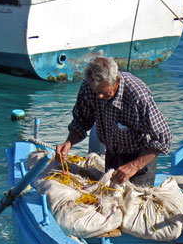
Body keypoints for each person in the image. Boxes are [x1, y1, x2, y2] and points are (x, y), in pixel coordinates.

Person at [56, 57, 172, 186]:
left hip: (140, 159)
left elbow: (163, 138)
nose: (99, 96)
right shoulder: (89, 87)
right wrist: (69, 142)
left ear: (117, 81)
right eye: (96, 92)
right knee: (110, 199)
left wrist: (133, 166)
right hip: (113, 154)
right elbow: (81, 121)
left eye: (104, 92)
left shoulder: (137, 94)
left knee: (136, 201)